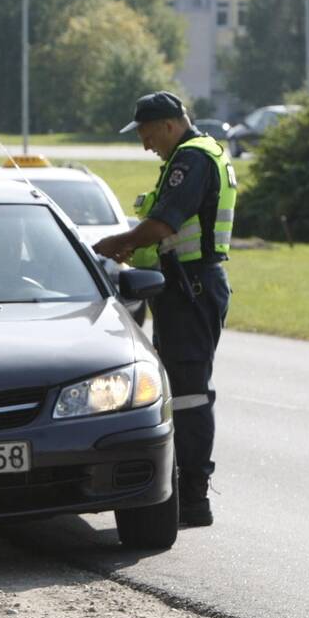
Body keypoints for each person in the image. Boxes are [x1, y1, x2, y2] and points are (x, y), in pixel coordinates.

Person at [93, 91, 236, 527]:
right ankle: (185, 488)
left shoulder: (191, 159)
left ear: (169, 125)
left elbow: (163, 224)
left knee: (190, 397)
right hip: (186, 287)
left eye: (146, 132)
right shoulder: (199, 153)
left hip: (191, 289)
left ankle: (194, 498)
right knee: (183, 391)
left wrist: (115, 245)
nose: (144, 143)